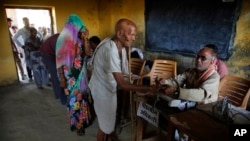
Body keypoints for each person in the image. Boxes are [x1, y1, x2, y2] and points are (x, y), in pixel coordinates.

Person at [89, 18, 158, 141]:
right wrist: (148, 88)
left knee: (108, 123)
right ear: (120, 34)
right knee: (104, 127)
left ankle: (110, 136)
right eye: (131, 34)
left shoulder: (117, 45)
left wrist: (141, 78)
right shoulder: (110, 50)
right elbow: (122, 84)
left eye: (134, 35)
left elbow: (125, 74)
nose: (133, 38)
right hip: (102, 91)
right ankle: (106, 136)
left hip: (107, 88)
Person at [56, 14, 92, 136]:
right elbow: (59, 63)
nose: (78, 29)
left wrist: (86, 38)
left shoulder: (81, 39)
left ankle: (83, 121)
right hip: (70, 77)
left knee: (83, 98)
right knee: (74, 100)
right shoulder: (62, 41)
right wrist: (62, 81)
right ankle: (77, 124)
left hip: (81, 75)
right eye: (78, 27)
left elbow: (88, 53)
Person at [40, 33, 67, 105]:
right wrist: (62, 77)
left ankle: (58, 95)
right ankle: (62, 98)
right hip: (47, 54)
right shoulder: (60, 42)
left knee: (58, 75)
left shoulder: (67, 38)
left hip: (52, 52)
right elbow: (60, 62)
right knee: (56, 75)